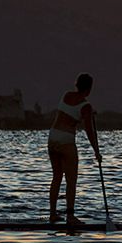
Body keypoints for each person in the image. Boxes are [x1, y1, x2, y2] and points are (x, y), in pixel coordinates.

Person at [48, 72, 103, 224]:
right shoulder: (86, 106)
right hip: (66, 141)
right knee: (71, 180)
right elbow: (89, 131)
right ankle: (70, 217)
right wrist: (96, 151)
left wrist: (89, 113)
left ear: (77, 85)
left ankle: (52, 214)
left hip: (52, 137)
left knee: (57, 177)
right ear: (89, 89)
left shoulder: (66, 95)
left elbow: (71, 111)